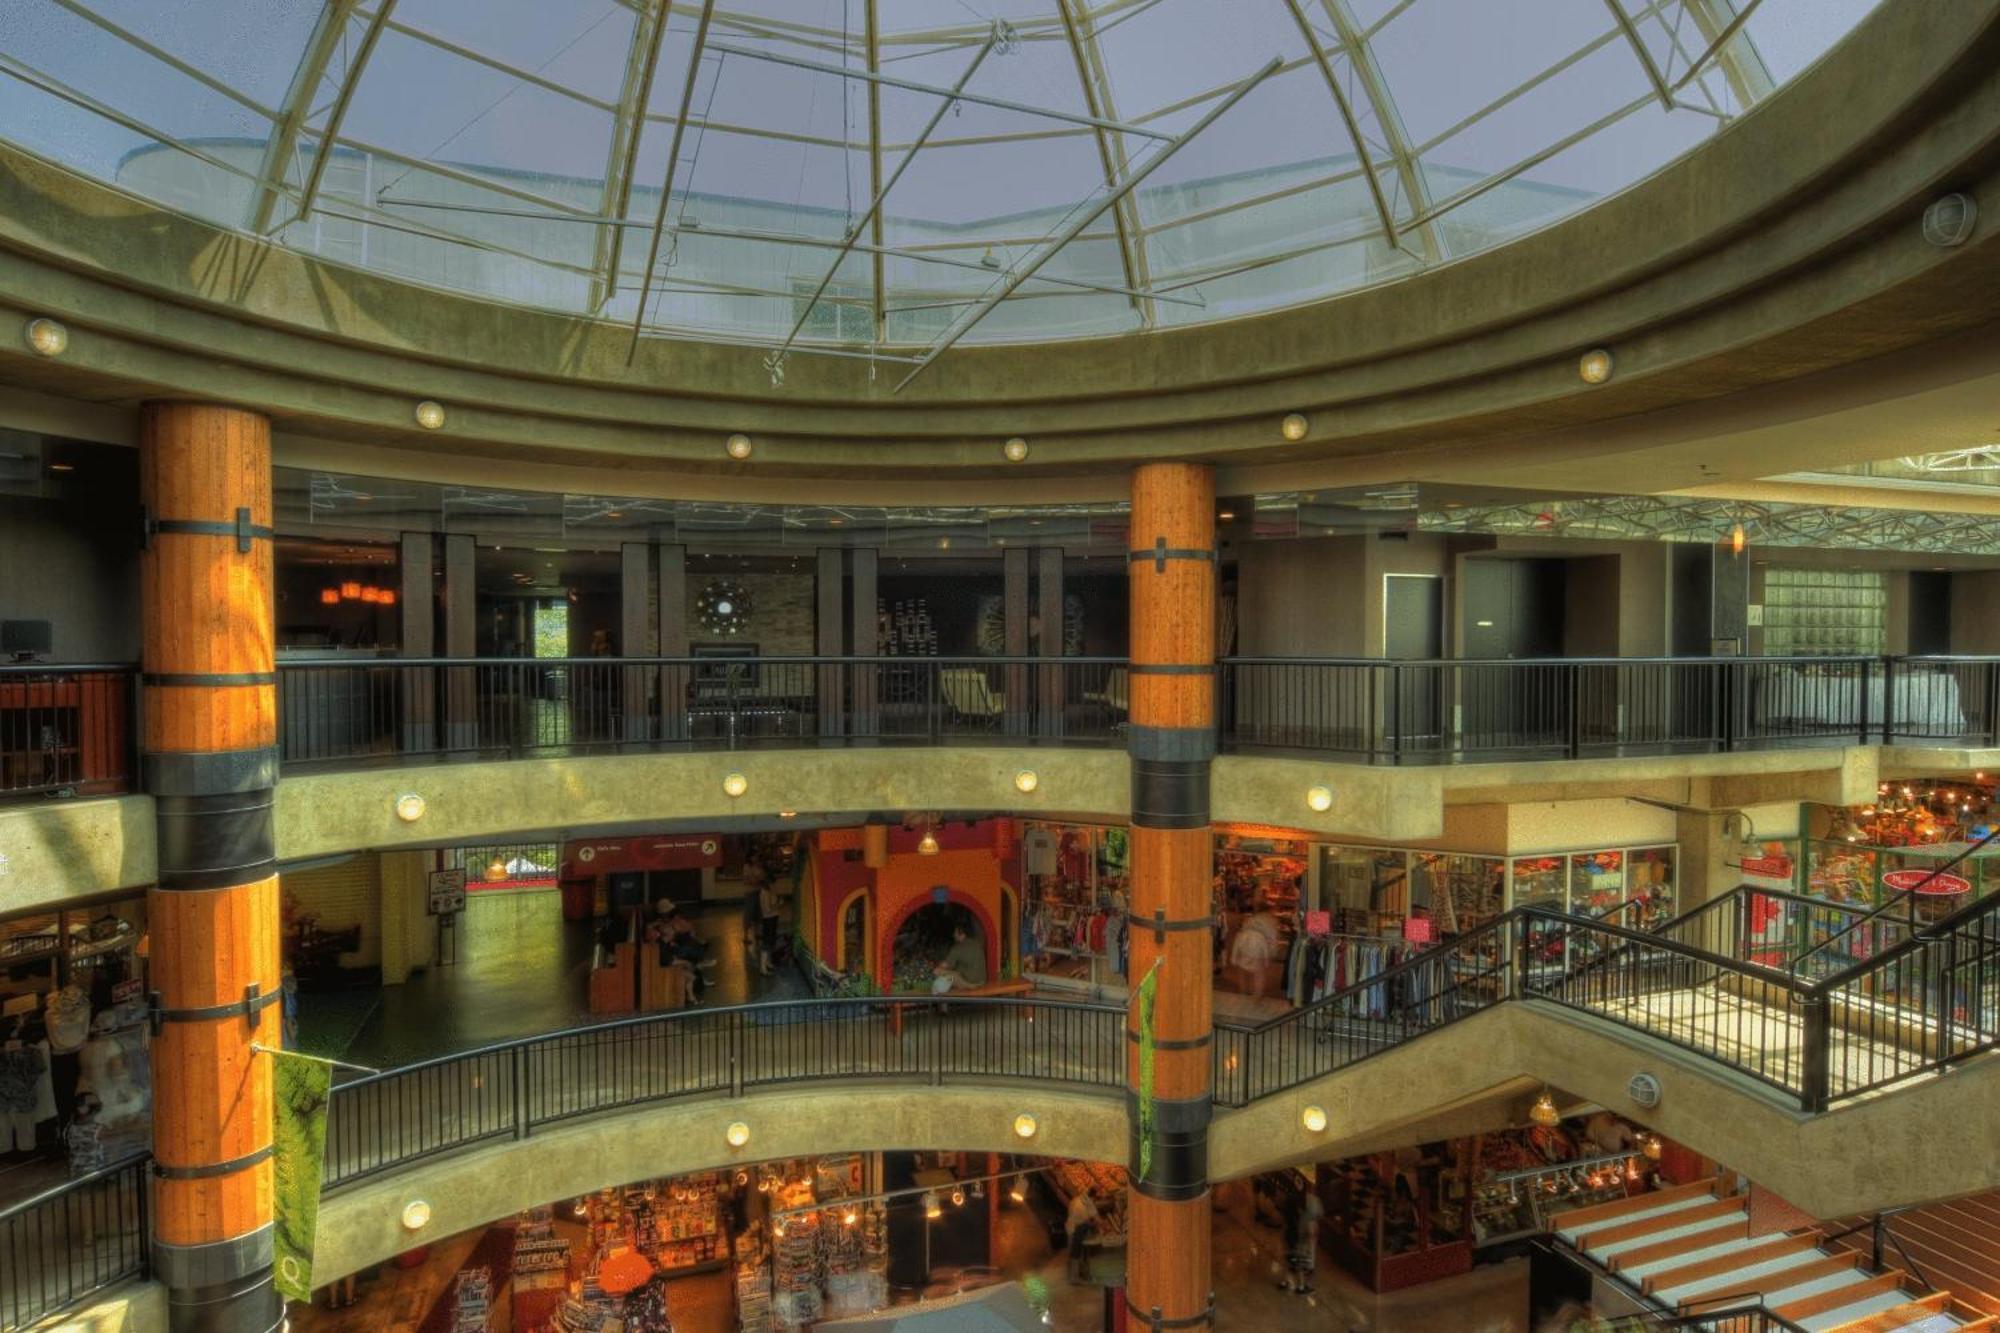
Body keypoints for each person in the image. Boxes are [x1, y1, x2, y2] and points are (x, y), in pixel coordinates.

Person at [1277, 1185, 1324, 1295]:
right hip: (1300, 1240)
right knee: (1301, 1264)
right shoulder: (1312, 1204)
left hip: (1289, 1237)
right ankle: (1302, 1287)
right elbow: (1311, 1229)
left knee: (1290, 1261)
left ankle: (1286, 1281)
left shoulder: (1289, 1205)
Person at [930, 924, 987, 994]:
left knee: (937, 971)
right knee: (953, 974)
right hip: (982, 980)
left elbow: (944, 966)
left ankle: (966, 985)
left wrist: (934, 965)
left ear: (962, 934)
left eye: (955, 932)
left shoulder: (958, 948)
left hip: (970, 981)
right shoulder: (977, 943)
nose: (954, 935)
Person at [1064, 1189, 1100, 1283]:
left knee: (1073, 1252)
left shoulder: (1077, 1199)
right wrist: (1098, 1225)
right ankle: (1074, 1278)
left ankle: (1075, 1274)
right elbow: (1094, 1220)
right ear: (1092, 1197)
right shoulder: (1085, 1205)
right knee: (1075, 1253)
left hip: (1070, 1227)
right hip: (1076, 1230)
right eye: (1095, 1199)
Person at [757, 876, 786, 977]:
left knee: (770, 942)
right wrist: (779, 904)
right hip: (768, 920)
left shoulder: (769, 891)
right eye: (773, 883)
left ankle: (767, 963)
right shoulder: (764, 893)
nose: (775, 885)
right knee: (766, 942)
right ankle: (762, 968)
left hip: (772, 919)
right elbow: (767, 909)